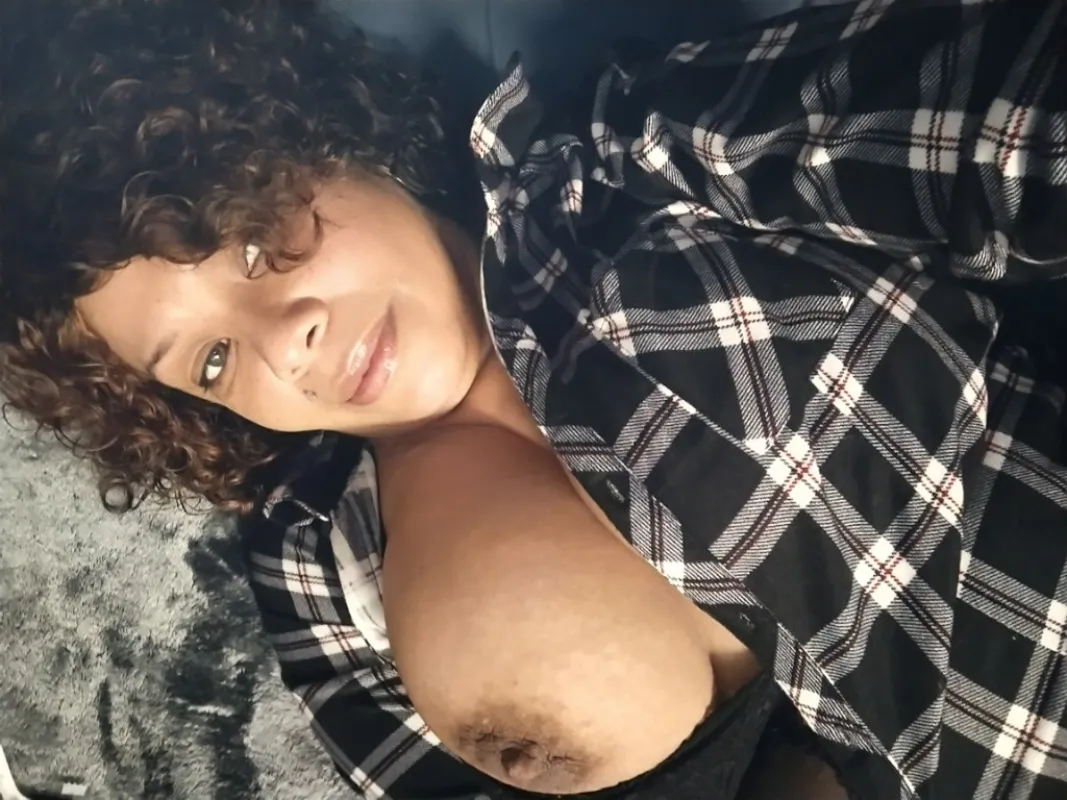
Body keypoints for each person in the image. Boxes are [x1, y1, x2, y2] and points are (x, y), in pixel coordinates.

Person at [1, 0, 1066, 798]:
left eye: (250, 238)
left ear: (317, 137)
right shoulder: (312, 565)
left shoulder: (630, 160)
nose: (284, 340)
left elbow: (1008, 135)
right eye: (211, 362)